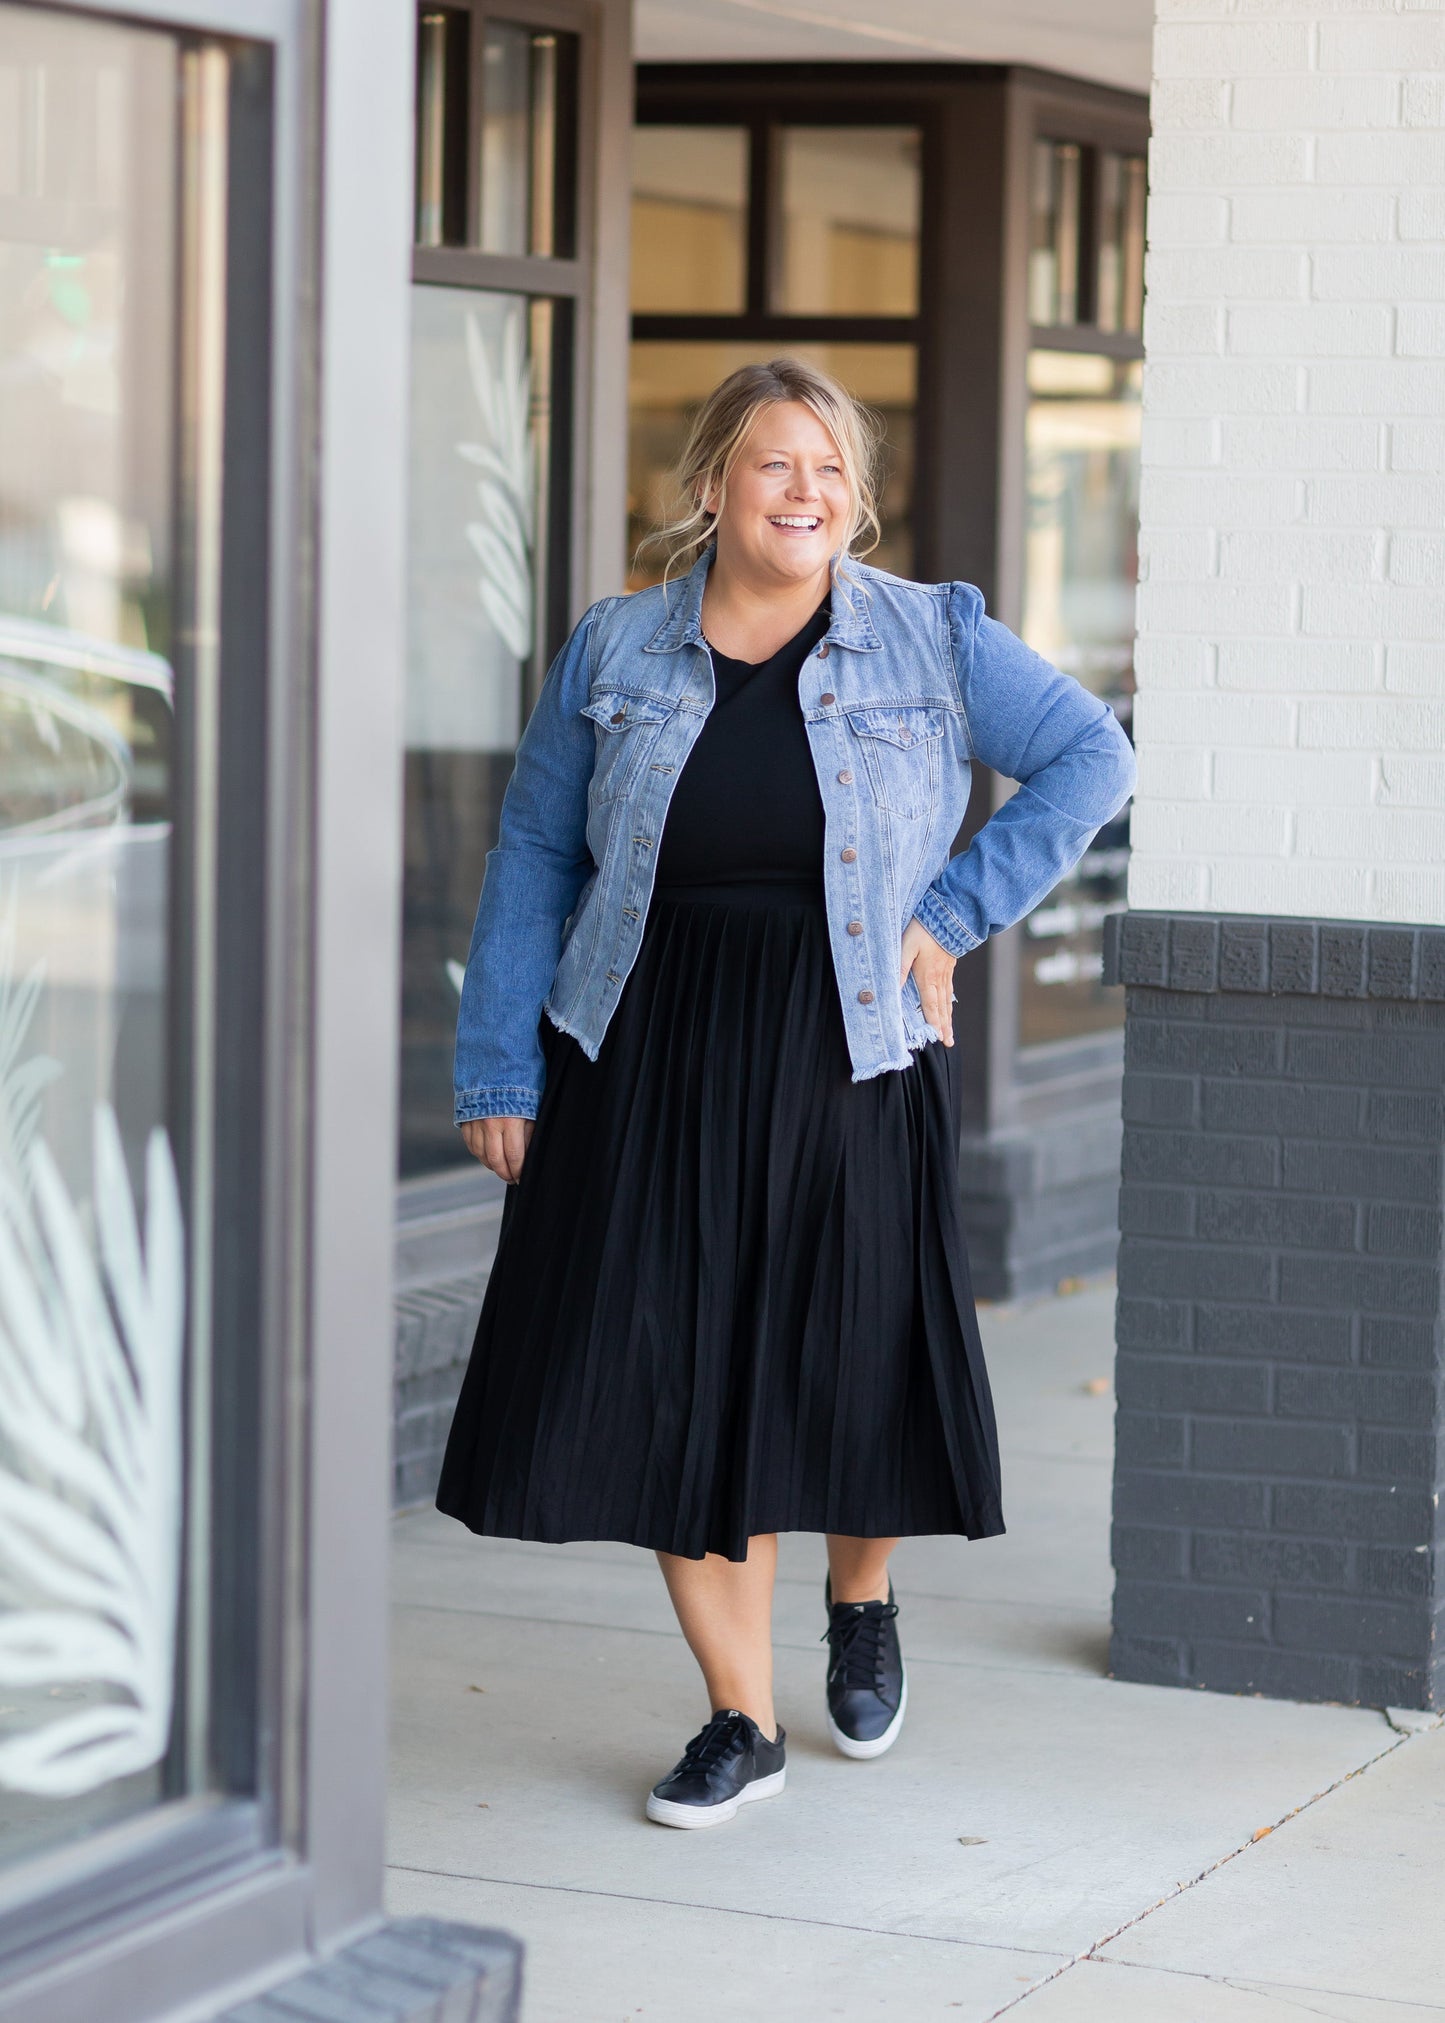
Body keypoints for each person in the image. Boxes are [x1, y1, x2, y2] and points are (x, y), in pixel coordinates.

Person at [436, 357, 1135, 1829]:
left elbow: (1091, 755)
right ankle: (738, 1717)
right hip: (643, 1044)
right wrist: (501, 1059)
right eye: (772, 465)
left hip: (846, 1045)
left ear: (854, 498)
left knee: (848, 1353)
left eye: (827, 468)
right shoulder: (614, 648)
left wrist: (945, 917)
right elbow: (533, 856)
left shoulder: (928, 637)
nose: (802, 492)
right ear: (709, 489)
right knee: (671, 1373)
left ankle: (862, 1600)